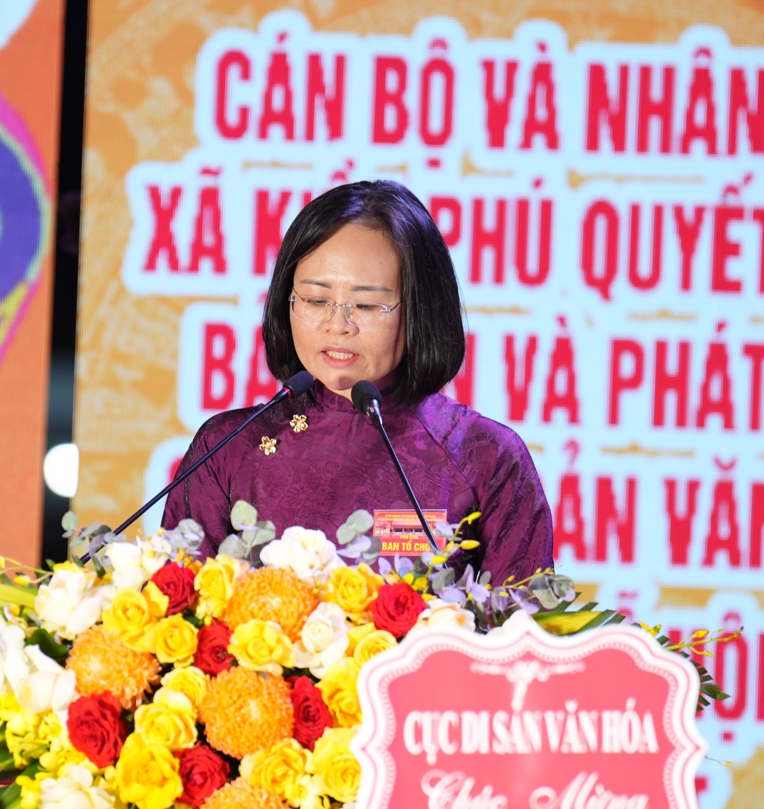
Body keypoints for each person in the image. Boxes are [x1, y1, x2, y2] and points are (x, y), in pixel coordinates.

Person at [161, 180, 553, 584]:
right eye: (316, 300)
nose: (338, 325)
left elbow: (522, 618)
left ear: (420, 309)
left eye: (365, 305)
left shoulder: (485, 456)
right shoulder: (227, 448)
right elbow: (179, 609)